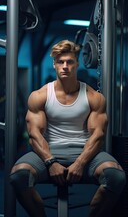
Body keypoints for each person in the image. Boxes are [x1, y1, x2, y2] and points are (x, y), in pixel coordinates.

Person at [10, 40, 126, 217]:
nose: (65, 66)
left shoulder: (94, 97)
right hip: (47, 153)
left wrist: (80, 163)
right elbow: (34, 135)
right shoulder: (39, 96)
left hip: (85, 152)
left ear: (77, 64)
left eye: (70, 62)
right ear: (54, 64)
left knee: (115, 176)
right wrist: (50, 162)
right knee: (19, 175)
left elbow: (98, 135)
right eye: (60, 62)